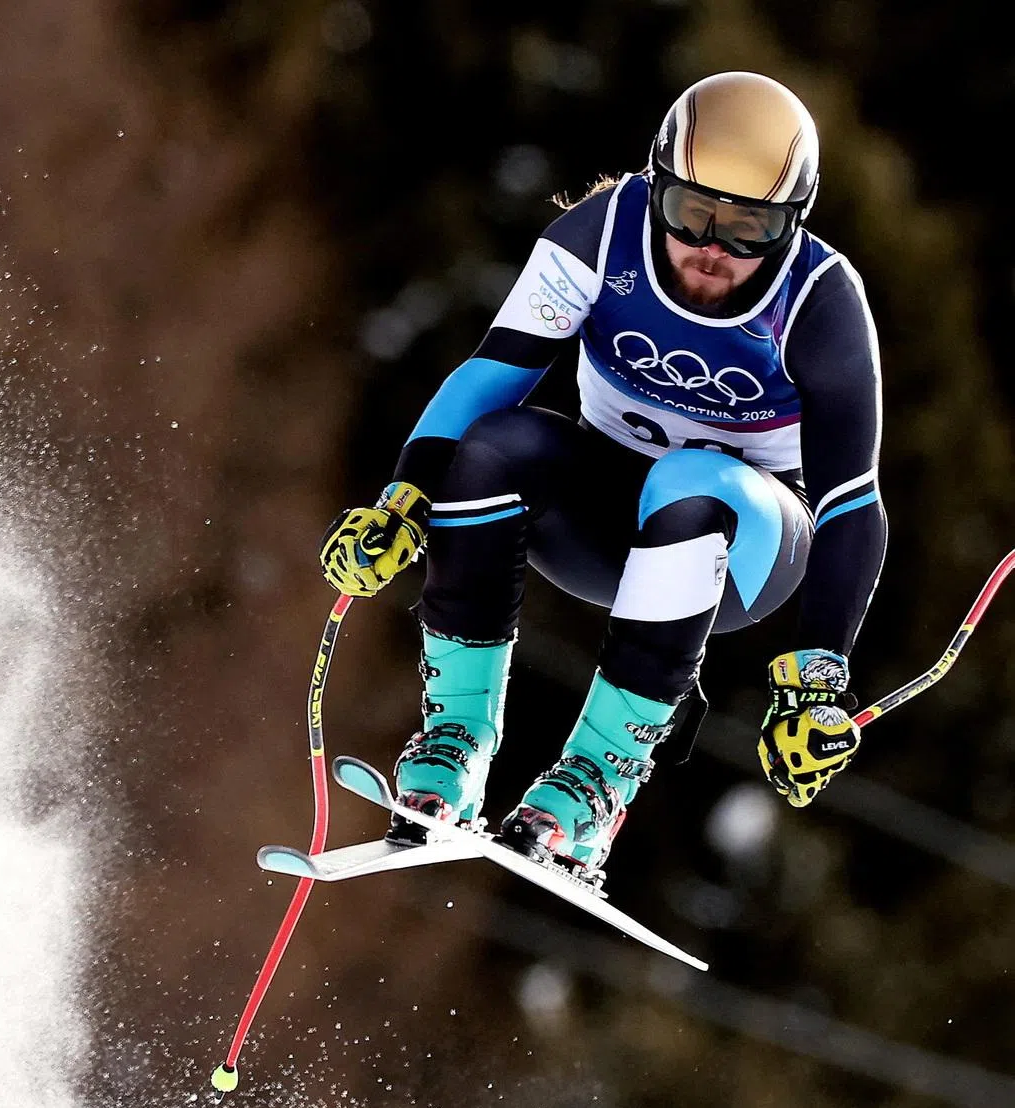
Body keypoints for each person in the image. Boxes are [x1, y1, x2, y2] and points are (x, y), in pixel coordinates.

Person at [320, 71, 886, 881]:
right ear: (657, 183)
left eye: (750, 229)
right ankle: (454, 744)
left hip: (745, 550)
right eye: (693, 214)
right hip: (598, 518)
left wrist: (819, 681)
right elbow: (494, 371)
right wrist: (403, 501)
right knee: (495, 445)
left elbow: (852, 503)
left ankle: (595, 787)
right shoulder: (602, 233)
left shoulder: (821, 304)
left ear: (793, 224)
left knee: (692, 481)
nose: (713, 252)